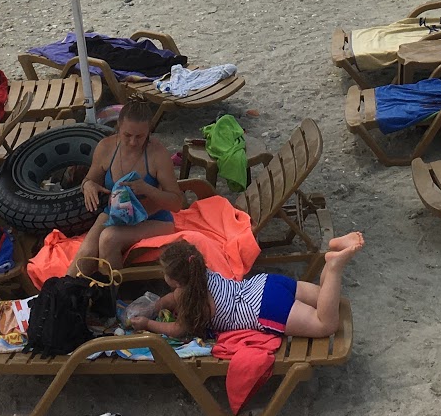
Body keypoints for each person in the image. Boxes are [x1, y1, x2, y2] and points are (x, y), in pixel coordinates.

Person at [129, 232, 365, 341]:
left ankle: (333, 266)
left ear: (177, 281)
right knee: (326, 298)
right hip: (266, 283)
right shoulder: (200, 273)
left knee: (326, 324)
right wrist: (157, 304)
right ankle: (335, 250)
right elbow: (174, 297)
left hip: (265, 309)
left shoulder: (193, 302)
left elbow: (177, 330)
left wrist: (149, 323)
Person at [69, 100, 186, 272]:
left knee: (109, 239)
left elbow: (177, 203)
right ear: (118, 126)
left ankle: (109, 294)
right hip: (116, 214)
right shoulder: (106, 148)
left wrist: (147, 189)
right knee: (84, 257)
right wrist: (88, 186)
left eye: (140, 137)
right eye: (127, 135)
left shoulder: (157, 153)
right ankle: (60, 293)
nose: (133, 142)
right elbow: (89, 180)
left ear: (148, 132)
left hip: (153, 217)